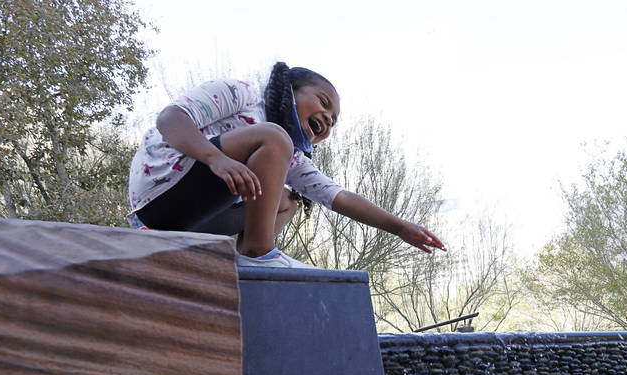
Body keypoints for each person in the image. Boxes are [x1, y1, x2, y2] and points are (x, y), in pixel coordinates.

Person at [128, 62, 444, 268]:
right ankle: (259, 252)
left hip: (192, 220)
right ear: (290, 88)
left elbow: (338, 196)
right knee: (275, 138)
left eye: (333, 121)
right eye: (323, 103)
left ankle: (242, 262)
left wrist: (399, 226)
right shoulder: (243, 94)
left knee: (288, 201)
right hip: (162, 189)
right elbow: (171, 119)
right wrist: (216, 158)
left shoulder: (284, 153)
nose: (328, 120)